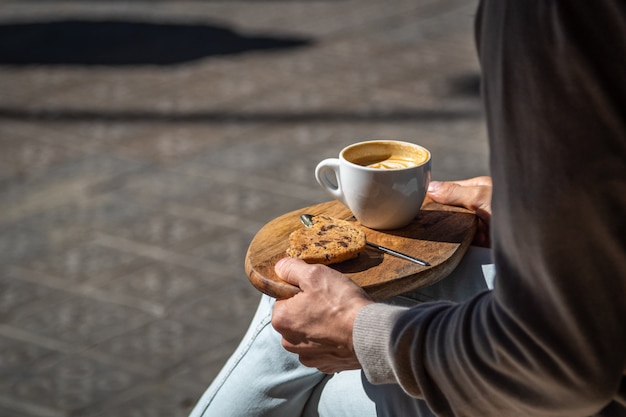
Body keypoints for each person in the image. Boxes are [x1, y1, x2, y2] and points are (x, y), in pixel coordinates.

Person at [191, 1, 626, 415]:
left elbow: (558, 363)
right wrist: (553, 216)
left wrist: (364, 335)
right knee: (307, 313)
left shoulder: (551, 15)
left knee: (309, 360)